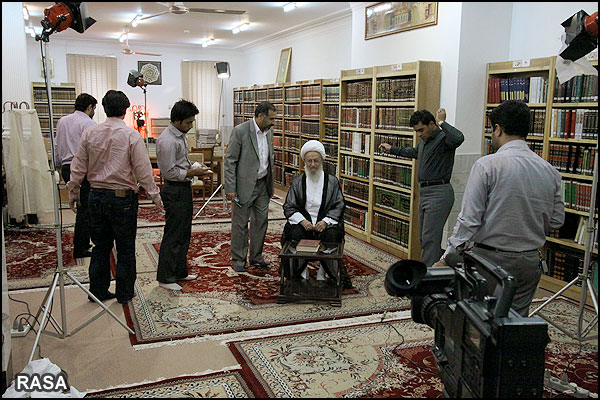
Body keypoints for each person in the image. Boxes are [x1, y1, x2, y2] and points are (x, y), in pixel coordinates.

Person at [434, 100, 565, 317]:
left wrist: (447, 257)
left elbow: (469, 220)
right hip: (530, 262)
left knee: (481, 321)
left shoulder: (487, 166)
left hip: (491, 261)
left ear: (498, 129)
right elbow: (557, 221)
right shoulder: (550, 171)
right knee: (514, 324)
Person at [67, 90, 162, 303]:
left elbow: (78, 165)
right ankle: (124, 293)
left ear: (103, 108)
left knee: (100, 246)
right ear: (125, 110)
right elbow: (143, 171)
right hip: (122, 199)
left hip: (96, 195)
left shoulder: (90, 133)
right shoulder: (131, 135)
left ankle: (98, 291)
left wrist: (73, 191)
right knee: (125, 248)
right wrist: (155, 196)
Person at [378, 108, 464, 268]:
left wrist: (442, 122)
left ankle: (427, 276)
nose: (419, 134)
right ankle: (434, 270)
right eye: (416, 131)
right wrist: (392, 149)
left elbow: (459, 138)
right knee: (425, 239)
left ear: (431, 124)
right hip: (425, 193)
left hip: (439, 193)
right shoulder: (425, 141)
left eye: (421, 130)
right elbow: (414, 152)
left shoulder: (444, 139)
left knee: (430, 239)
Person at [155, 99, 211, 291]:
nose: (191, 126)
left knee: (184, 233)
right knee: (173, 234)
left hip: (183, 188)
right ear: (177, 121)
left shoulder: (180, 136)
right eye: (188, 122)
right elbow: (169, 172)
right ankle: (165, 277)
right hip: (174, 189)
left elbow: (181, 163)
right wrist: (193, 172)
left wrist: (193, 167)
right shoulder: (167, 141)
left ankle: (179, 271)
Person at [281, 140, 352, 289]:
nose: (313, 164)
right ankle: (300, 270)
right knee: (294, 233)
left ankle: (324, 270)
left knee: (332, 235)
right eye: (309, 161)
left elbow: (339, 205)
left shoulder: (332, 182)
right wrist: (302, 221)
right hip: (304, 222)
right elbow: (289, 205)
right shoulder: (298, 182)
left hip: (325, 222)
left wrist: (325, 221)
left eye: (316, 161)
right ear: (304, 162)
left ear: (322, 162)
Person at [224, 101, 276, 272]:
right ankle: (238, 259)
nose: (273, 122)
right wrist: (230, 188)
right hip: (243, 186)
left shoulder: (269, 131)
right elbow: (230, 160)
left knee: (261, 222)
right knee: (240, 224)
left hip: (263, 184)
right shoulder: (241, 131)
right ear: (260, 116)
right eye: (271, 118)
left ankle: (256, 257)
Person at [55, 93, 97, 258]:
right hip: (81, 167)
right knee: (85, 209)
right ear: (89, 107)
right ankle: (80, 248)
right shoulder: (88, 123)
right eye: (94, 108)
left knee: (81, 207)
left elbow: (57, 144)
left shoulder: (62, 121)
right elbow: (91, 149)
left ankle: (83, 242)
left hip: (66, 167)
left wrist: (58, 165)